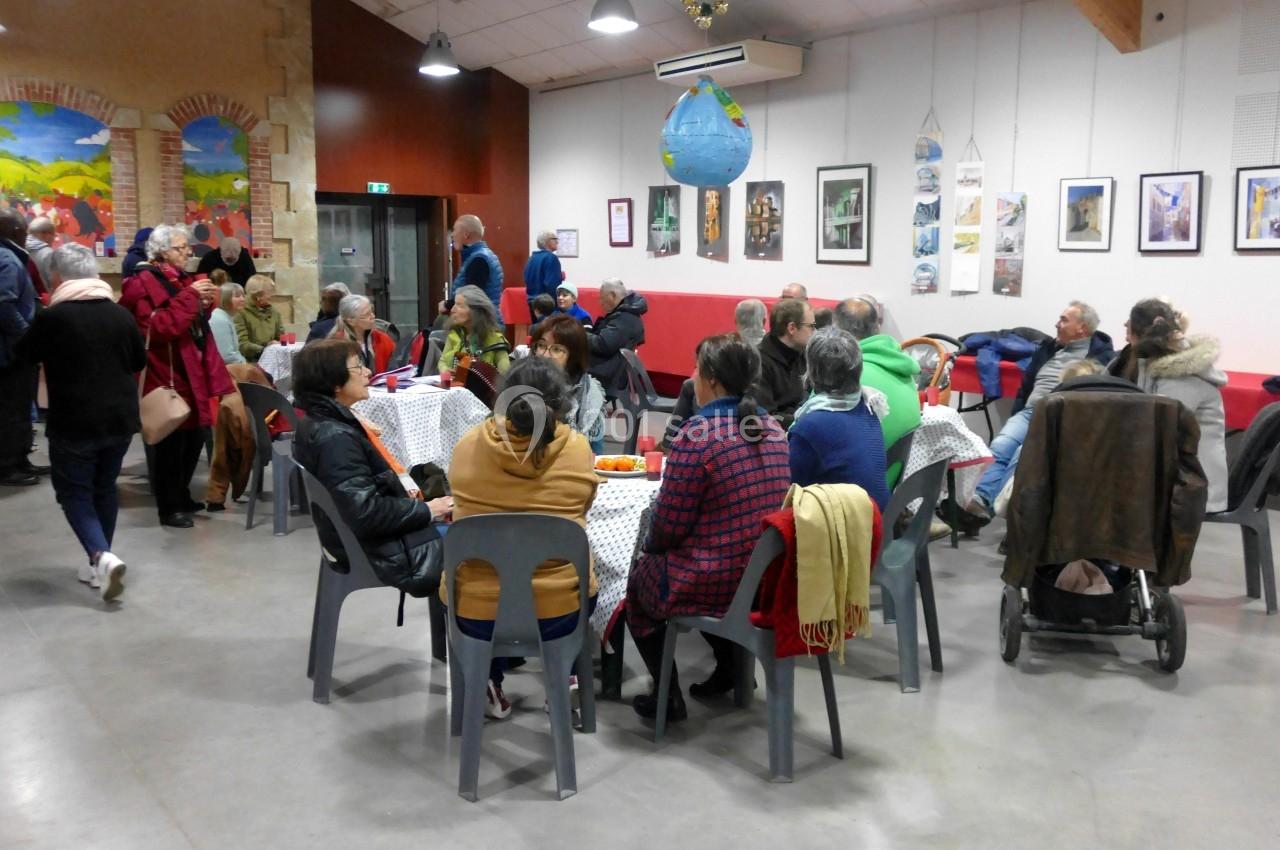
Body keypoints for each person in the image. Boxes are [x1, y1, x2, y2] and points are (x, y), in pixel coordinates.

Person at [626, 334, 792, 720]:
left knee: (636, 584)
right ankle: (732, 668)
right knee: (706, 562)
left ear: (712, 379)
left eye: (696, 369)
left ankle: (666, 693)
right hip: (761, 578)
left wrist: (649, 550)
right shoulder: (773, 429)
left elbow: (668, 526)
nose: (692, 376)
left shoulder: (697, 436)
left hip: (712, 580)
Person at [446, 356, 600, 718]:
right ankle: (563, 675)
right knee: (587, 574)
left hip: (476, 612)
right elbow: (584, 506)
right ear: (561, 402)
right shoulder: (577, 449)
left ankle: (487, 676)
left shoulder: (468, 445)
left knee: (477, 575)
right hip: (559, 611)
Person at [16, 243, 145, 600]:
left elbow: (24, 353)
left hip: (74, 419)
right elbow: (138, 361)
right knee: (104, 488)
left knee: (74, 492)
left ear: (57, 277)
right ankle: (97, 565)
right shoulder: (120, 314)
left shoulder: (53, 317)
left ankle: (100, 555)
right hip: (120, 419)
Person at [293, 339, 452, 596]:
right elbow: (365, 512)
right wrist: (426, 510)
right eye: (358, 367)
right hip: (382, 550)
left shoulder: (321, 423)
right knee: (481, 543)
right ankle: (474, 633)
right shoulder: (335, 439)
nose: (368, 373)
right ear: (334, 383)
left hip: (361, 539)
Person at [119, 224, 234, 528]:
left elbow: (189, 322)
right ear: (161, 252)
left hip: (190, 368)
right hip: (165, 372)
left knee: (194, 436)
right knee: (171, 442)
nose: (188, 252)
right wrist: (192, 298)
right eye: (181, 247)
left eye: (187, 247)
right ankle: (168, 507)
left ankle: (181, 496)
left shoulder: (180, 280)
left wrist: (206, 305)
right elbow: (160, 328)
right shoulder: (141, 283)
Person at [966, 300, 1114, 522]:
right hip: (1028, 412)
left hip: (1057, 417)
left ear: (1082, 328)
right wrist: (1017, 413)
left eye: (1064, 320)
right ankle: (980, 500)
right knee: (1000, 445)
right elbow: (1026, 386)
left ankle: (1001, 509)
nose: (1057, 324)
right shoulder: (1048, 348)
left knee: (1023, 456)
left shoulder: (1101, 357)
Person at [1111, 299, 1228, 512]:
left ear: (1134, 334)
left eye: (1128, 330)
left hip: (1195, 486)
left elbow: (1159, 433)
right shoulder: (1154, 364)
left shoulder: (1183, 376)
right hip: (1177, 474)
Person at [789, 328, 890, 509]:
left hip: (842, 531)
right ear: (858, 367)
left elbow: (791, 493)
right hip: (876, 524)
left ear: (811, 370)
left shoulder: (810, 426)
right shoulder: (869, 407)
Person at [834, 294, 921, 485]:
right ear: (877, 327)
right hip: (890, 487)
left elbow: (804, 430)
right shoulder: (901, 366)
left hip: (856, 492)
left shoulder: (847, 373)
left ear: (837, 333)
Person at [0, 209, 44, 486]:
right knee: (12, 408)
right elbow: (3, 305)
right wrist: (26, 336)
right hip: (12, 351)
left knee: (18, 406)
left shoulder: (9, 256)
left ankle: (20, 458)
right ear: (16, 231)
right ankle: (8, 465)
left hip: (13, 349)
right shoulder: (7, 259)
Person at [532, 315, 606, 453]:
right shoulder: (521, 383)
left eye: (556, 349)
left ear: (573, 356)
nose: (546, 355)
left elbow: (595, 454)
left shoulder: (590, 393)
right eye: (541, 346)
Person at [755, 297, 815, 428]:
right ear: (792, 328)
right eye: (811, 326)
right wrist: (804, 419)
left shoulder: (803, 354)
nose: (814, 332)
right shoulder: (758, 362)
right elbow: (764, 417)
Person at [586, 278, 647, 394]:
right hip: (610, 370)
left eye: (601, 298)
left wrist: (580, 335)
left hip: (605, 376)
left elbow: (603, 344)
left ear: (612, 295)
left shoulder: (625, 318)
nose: (600, 302)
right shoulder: (627, 314)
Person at [438, 284, 510, 375]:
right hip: (455, 386)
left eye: (459, 305)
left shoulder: (495, 339)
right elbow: (442, 361)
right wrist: (445, 370)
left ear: (475, 312)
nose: (452, 310)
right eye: (454, 304)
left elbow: (506, 373)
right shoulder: (455, 334)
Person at [448, 214, 504, 317]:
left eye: (455, 230)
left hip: (482, 326)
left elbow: (471, 298)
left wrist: (447, 305)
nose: (452, 235)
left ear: (466, 235)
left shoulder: (479, 260)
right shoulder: (480, 256)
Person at [331, 293, 395, 374]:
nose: (373, 316)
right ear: (351, 321)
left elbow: (394, 371)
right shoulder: (337, 345)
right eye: (366, 314)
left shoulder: (383, 339)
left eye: (372, 311)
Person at [234, 274, 285, 363]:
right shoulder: (240, 313)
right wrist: (265, 349)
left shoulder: (274, 312)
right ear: (258, 294)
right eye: (269, 292)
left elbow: (281, 336)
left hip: (273, 360)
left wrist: (279, 344)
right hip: (249, 363)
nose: (272, 295)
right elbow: (242, 345)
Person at [209, 272, 246, 365]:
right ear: (225, 299)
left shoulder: (226, 316)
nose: (242, 299)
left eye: (243, 296)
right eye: (237, 296)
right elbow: (226, 355)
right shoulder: (219, 319)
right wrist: (246, 365)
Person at [523, 230, 562, 314]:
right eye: (555, 239)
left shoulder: (531, 258)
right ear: (548, 241)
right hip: (546, 304)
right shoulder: (551, 258)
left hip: (532, 302)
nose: (557, 242)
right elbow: (552, 284)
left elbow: (526, 279)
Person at [24, 215, 56, 294]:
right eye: (53, 234)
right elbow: (53, 282)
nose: (54, 239)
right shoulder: (48, 253)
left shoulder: (20, 248)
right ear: (45, 234)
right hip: (44, 299)